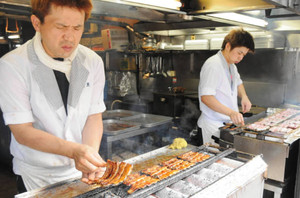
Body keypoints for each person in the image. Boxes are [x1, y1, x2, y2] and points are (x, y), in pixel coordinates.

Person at [0, 0, 106, 192]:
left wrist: (89, 156)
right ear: (37, 23)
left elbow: (93, 116)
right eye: (61, 27)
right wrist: (75, 151)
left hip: (80, 169)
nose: (70, 37)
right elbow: (22, 131)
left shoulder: (92, 61)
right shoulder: (13, 65)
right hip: (36, 175)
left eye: (77, 28)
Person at [197, 28, 254, 145]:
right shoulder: (213, 65)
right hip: (212, 126)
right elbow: (206, 97)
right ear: (228, 46)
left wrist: (244, 96)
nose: (241, 58)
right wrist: (231, 113)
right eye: (239, 53)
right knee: (213, 160)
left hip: (224, 125)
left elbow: (238, 83)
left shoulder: (232, 66)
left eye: (244, 54)